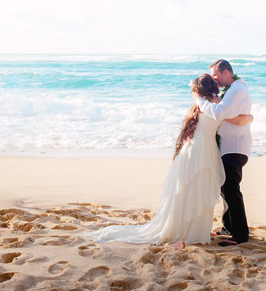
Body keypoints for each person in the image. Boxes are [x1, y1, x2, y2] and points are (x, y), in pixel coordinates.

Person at [88, 74, 253, 246]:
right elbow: (237, 120)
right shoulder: (217, 105)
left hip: (197, 149)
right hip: (202, 150)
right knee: (197, 190)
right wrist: (250, 118)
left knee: (191, 190)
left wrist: (198, 99)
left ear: (198, 90)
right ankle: (192, 229)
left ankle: (193, 228)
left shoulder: (202, 105)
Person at [193, 59, 252, 246]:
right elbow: (229, 115)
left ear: (226, 71)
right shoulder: (233, 89)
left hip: (235, 146)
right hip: (229, 146)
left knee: (231, 190)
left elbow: (219, 113)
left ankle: (240, 235)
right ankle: (229, 227)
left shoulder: (236, 90)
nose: (214, 79)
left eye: (216, 75)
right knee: (225, 188)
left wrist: (199, 100)